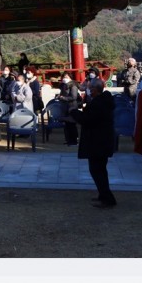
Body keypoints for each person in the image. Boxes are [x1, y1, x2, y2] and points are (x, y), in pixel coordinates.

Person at [65, 79, 117, 208]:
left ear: (94, 89)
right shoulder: (103, 101)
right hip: (102, 140)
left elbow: (87, 120)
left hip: (97, 141)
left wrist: (74, 111)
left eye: (89, 87)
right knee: (100, 170)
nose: (87, 90)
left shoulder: (98, 103)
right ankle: (103, 195)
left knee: (97, 170)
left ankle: (107, 198)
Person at [57, 71, 81, 146]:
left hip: (72, 106)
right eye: (64, 77)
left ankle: (74, 140)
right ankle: (68, 140)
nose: (65, 78)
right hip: (65, 106)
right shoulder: (63, 85)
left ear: (70, 78)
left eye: (66, 77)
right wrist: (59, 97)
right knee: (66, 124)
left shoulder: (73, 85)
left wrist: (62, 98)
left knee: (72, 124)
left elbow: (74, 97)